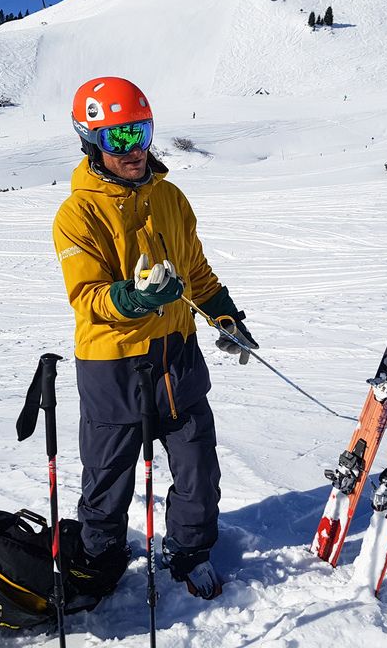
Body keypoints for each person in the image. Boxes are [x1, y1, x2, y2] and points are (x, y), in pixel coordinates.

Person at [52, 76, 256, 602]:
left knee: (198, 472)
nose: (135, 149)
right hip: (113, 369)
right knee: (107, 482)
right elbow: (89, 298)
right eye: (119, 138)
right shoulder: (77, 214)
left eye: (140, 132)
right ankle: (100, 561)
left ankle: (189, 551)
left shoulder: (172, 198)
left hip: (178, 360)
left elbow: (198, 272)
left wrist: (225, 318)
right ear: (91, 140)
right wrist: (135, 299)